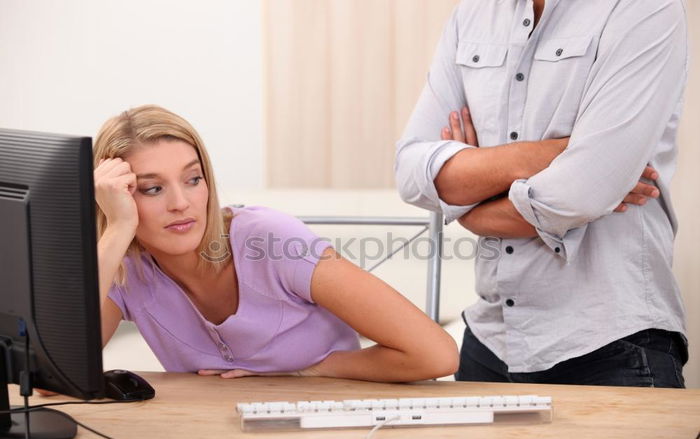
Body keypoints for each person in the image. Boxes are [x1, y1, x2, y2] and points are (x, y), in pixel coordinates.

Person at [395, 0, 689, 387]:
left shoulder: (644, 8)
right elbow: (411, 171)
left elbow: (582, 191)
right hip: (489, 343)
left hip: (611, 346)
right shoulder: (472, 14)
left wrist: (470, 205)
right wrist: (549, 154)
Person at [88, 104, 458, 384]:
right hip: (213, 435)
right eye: (153, 188)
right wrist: (117, 229)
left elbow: (436, 354)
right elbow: (54, 377)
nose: (181, 203)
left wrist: (303, 369)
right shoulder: (124, 268)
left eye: (193, 179)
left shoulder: (271, 241)